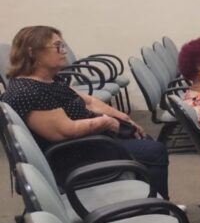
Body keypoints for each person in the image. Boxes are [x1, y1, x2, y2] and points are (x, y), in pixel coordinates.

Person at [1, 26, 170, 199]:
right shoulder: (30, 92)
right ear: (32, 53)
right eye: (58, 46)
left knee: (140, 138)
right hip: (69, 156)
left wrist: (122, 117)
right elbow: (65, 131)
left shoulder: (48, 80)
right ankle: (157, 207)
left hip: (84, 143)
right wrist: (105, 122)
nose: (64, 52)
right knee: (154, 151)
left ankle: (149, 200)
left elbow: (87, 101)